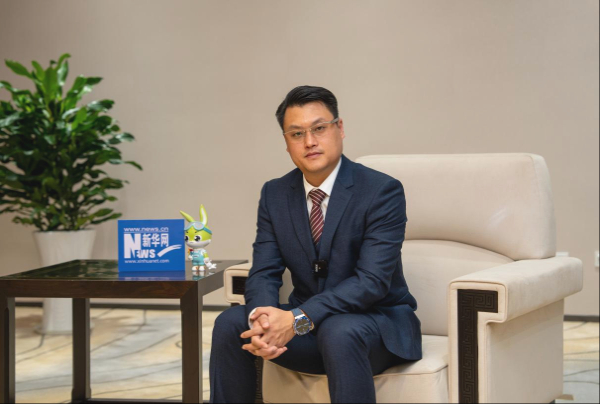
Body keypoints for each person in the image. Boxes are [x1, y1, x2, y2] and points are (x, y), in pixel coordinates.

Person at [210, 85, 422, 403]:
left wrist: (297, 319)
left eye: (319, 128)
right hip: (310, 332)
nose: (309, 142)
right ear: (286, 143)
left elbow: (372, 282)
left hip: (376, 327)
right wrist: (262, 321)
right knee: (230, 323)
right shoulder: (275, 194)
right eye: (297, 134)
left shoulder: (381, 191)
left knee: (340, 331)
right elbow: (264, 271)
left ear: (340, 128)